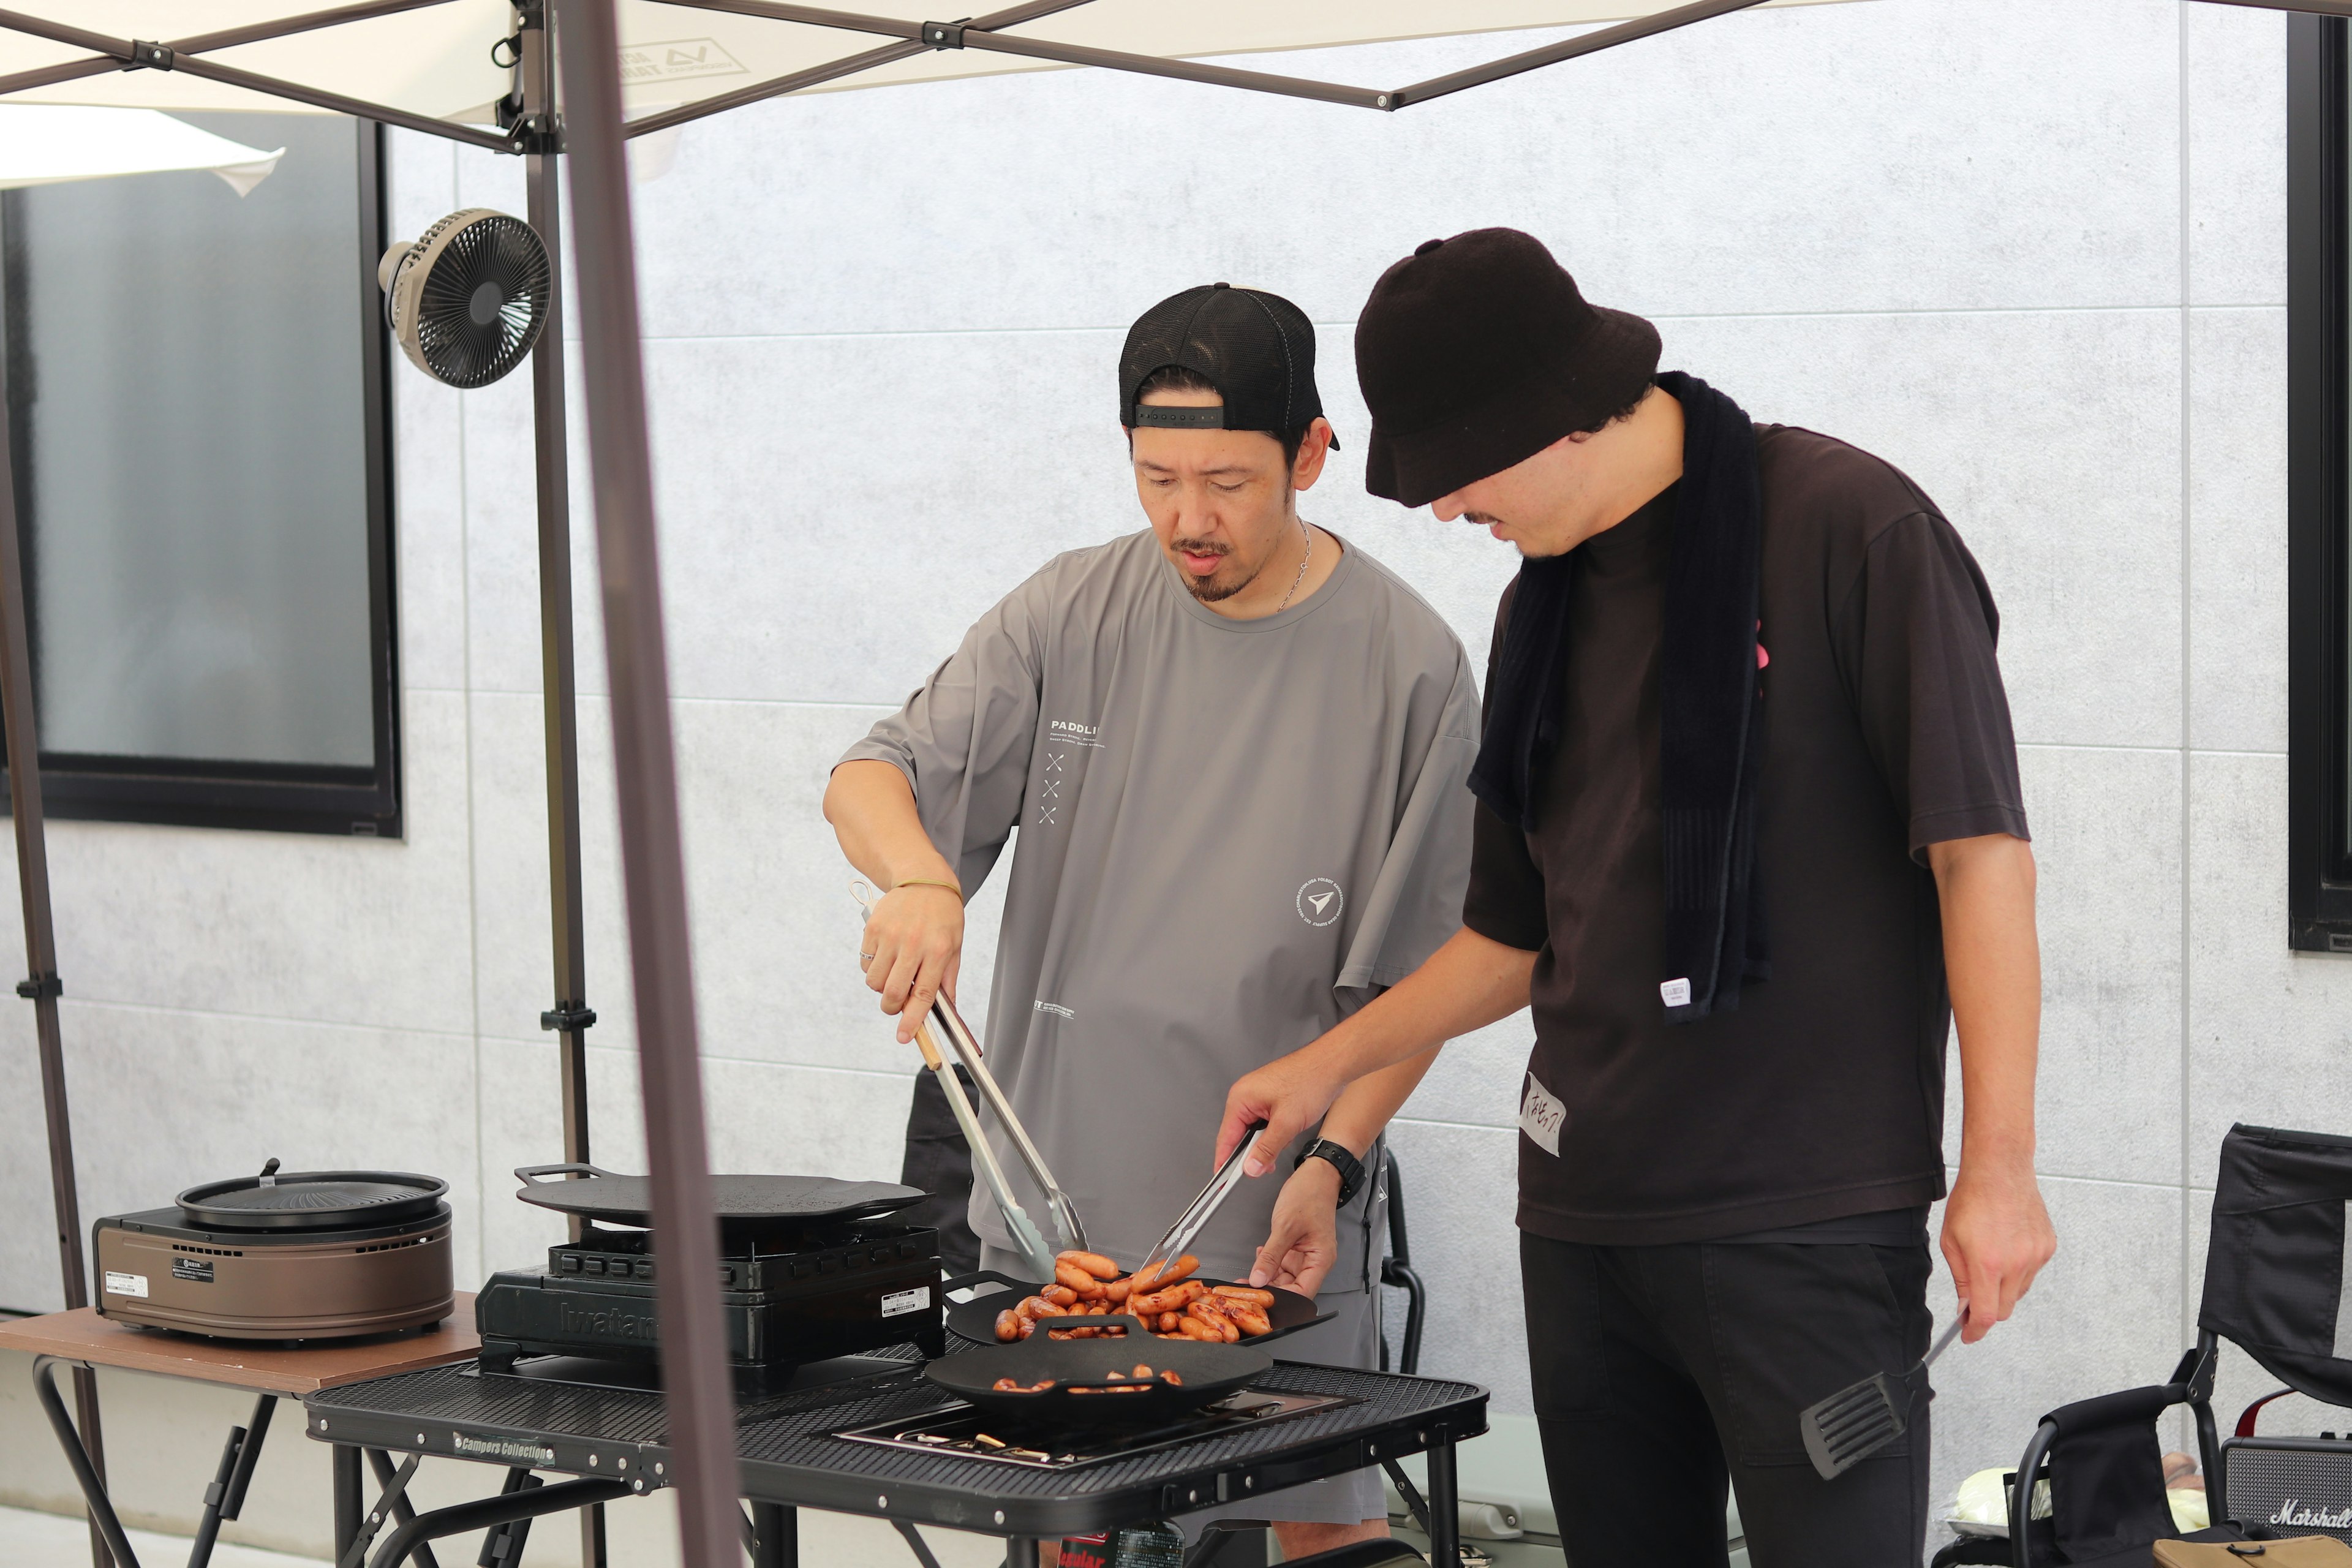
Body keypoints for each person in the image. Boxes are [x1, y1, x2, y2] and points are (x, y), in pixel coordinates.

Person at [1215, 229, 2056, 1566]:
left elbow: (1981, 856)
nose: (1444, 513)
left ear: (1549, 422)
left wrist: (2001, 1169)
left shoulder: (1852, 526)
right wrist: (1325, 1068)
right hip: (1587, 1220)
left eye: (1456, 475)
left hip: (1808, 1221)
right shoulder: (1537, 607)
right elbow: (1510, 934)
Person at [824, 281, 1480, 1557]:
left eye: (1229, 480)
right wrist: (921, 879)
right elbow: (871, 774)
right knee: (1070, 1540)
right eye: (1157, 475)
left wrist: (1335, 1163)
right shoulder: (1069, 611)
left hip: (1273, 1244)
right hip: (1050, 1236)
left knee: (1316, 1541)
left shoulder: (1411, 664)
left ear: (1308, 454)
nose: (1191, 517)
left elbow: (1434, 976)